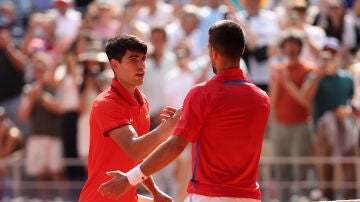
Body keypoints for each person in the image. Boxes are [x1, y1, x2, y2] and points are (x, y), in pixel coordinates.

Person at [98, 20, 271, 202]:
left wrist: (129, 179)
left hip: (208, 196)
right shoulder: (262, 99)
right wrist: (188, 117)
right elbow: (227, 133)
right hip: (249, 197)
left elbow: (176, 146)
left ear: (212, 50)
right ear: (242, 50)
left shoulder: (202, 93)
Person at [79, 34, 181, 202]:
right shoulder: (106, 104)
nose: (141, 66)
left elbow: (138, 158)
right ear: (115, 65)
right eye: (134, 60)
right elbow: (135, 150)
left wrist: (154, 191)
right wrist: (169, 126)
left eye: (143, 59)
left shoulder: (143, 101)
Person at [303, 37, 357, 200]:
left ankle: (351, 198)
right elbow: (306, 98)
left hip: (344, 127)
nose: (330, 56)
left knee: (349, 168)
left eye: (333, 52)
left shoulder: (347, 78)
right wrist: (318, 75)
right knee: (326, 171)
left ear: (338, 54)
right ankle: (328, 198)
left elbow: (351, 100)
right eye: (326, 52)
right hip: (323, 132)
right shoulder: (315, 77)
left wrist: (345, 111)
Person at [269, 29, 317, 201]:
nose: (290, 48)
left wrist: (287, 83)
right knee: (281, 167)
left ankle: (304, 197)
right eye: (287, 44)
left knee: (301, 167)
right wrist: (277, 82)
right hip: (280, 124)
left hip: (301, 124)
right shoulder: (277, 69)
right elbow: (272, 101)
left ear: (299, 47)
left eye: (294, 44)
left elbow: (306, 100)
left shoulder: (309, 69)